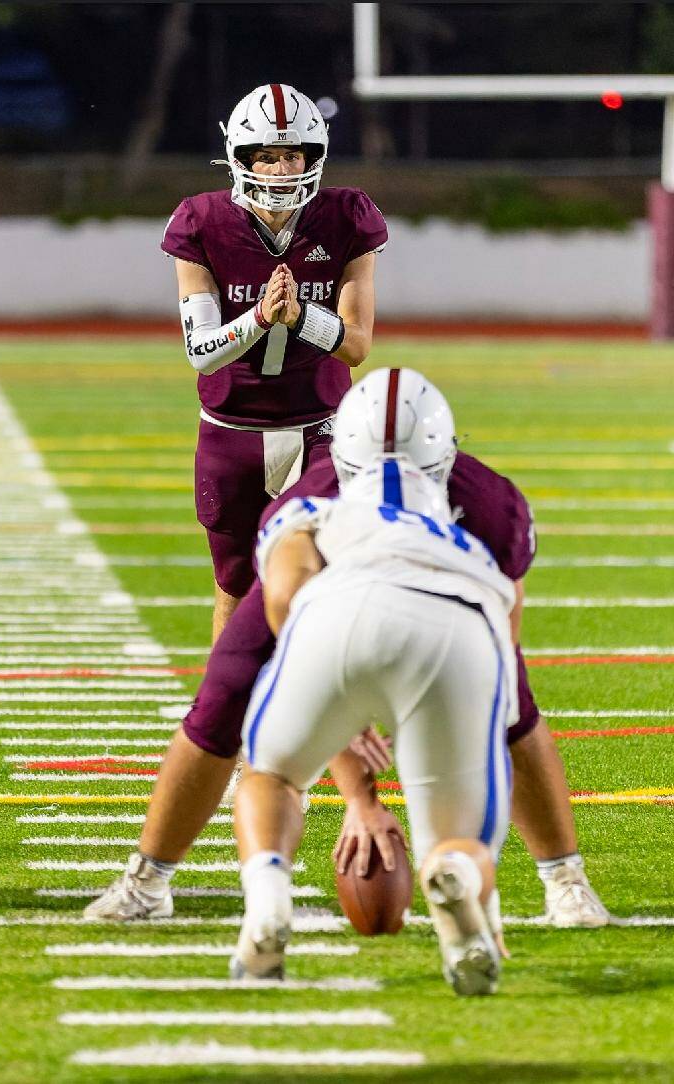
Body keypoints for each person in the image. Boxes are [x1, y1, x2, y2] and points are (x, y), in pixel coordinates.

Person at [84, 374, 609, 931]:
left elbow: (502, 644)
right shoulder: (323, 500)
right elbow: (288, 608)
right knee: (224, 696)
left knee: (513, 710)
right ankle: (147, 879)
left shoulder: (484, 506)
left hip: (413, 604)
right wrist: (356, 781)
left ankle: (565, 877)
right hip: (340, 599)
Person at [231, 369, 516, 994]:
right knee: (459, 841)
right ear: (444, 457)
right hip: (458, 620)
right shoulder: (474, 533)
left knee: (272, 775)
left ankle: (269, 899)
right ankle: (460, 883)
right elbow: (506, 641)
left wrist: (337, 704)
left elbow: (284, 590)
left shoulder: (310, 507)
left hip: (340, 604)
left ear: (341, 454)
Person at [161, 83, 387, 641]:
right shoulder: (201, 221)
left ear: (314, 158)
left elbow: (356, 345)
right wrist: (261, 319)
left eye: (292, 155)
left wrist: (300, 318)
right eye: (267, 155)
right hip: (231, 431)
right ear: (241, 158)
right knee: (234, 587)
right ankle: (224, 719)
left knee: (322, 578)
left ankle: (327, 714)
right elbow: (201, 352)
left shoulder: (346, 216)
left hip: (319, 431)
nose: (283, 169)